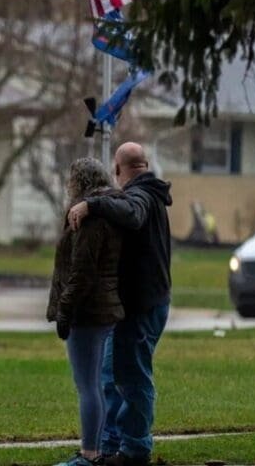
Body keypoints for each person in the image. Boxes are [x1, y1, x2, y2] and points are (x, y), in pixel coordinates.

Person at [68, 143, 173, 466]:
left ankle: (135, 450)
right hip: (146, 303)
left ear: (118, 170)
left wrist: (91, 204)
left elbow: (132, 213)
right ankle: (113, 444)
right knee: (112, 373)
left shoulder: (140, 196)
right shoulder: (151, 192)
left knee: (132, 377)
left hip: (142, 306)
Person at [47, 158, 125, 466]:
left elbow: (82, 271)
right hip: (106, 307)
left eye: (71, 181)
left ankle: (90, 453)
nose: (68, 187)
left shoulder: (88, 217)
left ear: (79, 182)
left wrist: (65, 311)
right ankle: (100, 448)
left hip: (89, 312)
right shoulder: (109, 210)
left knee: (88, 386)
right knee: (97, 384)